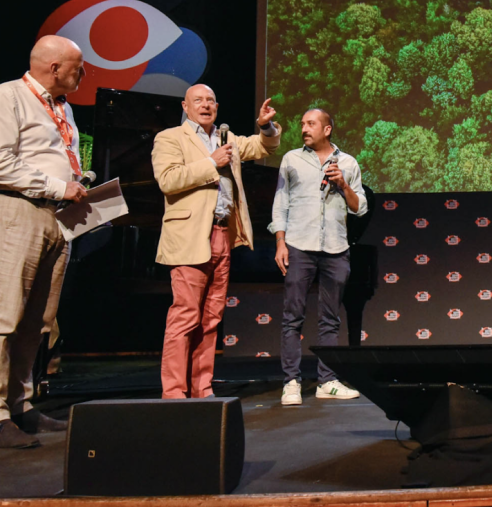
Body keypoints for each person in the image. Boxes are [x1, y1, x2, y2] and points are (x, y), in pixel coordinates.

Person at [0, 35, 88, 448]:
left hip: (58, 217)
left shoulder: (63, 107)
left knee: (38, 321)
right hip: (19, 212)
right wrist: (58, 186)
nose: (83, 73)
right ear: (54, 68)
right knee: (4, 316)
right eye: (77, 66)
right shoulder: (7, 97)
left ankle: (19, 405)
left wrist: (76, 184)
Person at [152, 85, 280, 399]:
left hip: (223, 233)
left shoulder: (227, 138)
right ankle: (174, 392)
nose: (205, 105)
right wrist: (211, 162)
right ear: (185, 106)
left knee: (211, 318)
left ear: (217, 107)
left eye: (210, 100)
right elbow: (168, 180)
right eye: (198, 100)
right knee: (186, 315)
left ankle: (202, 388)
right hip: (190, 235)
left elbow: (263, 147)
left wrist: (265, 126)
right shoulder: (170, 137)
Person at [270, 109, 368, 405]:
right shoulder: (291, 159)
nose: (304, 128)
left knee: (330, 318)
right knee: (292, 317)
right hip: (299, 245)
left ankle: (327, 381)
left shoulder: (348, 162)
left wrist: (344, 185)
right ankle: (291, 382)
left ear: (327, 129)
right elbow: (281, 202)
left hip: (336, 248)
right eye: (302, 124)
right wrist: (280, 242)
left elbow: (359, 207)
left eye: (310, 124)